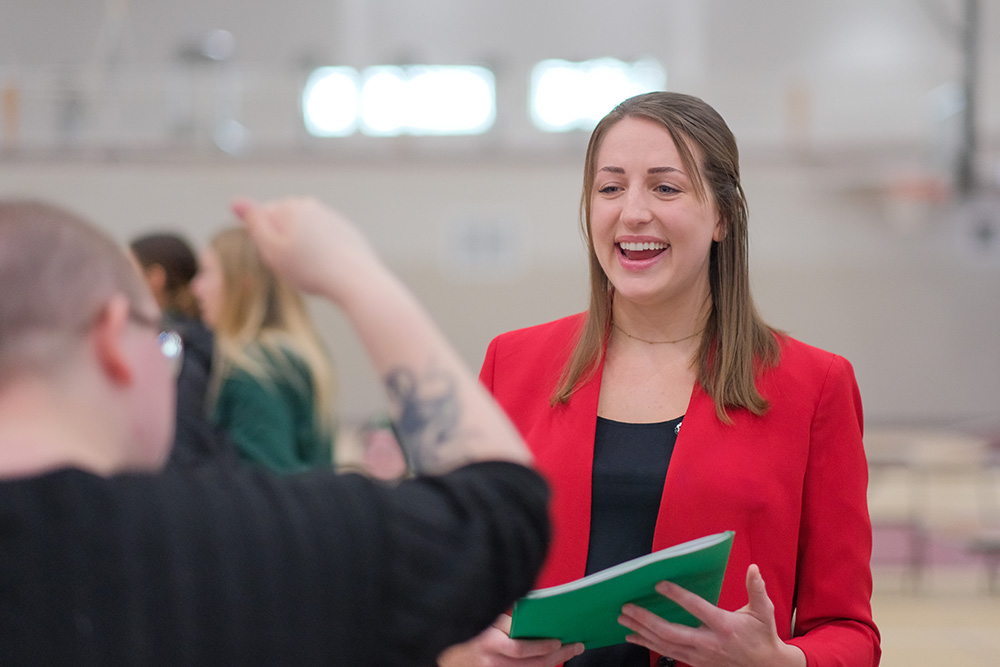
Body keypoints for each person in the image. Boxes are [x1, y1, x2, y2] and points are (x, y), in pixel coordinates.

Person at [0, 197, 551, 665]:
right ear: (112, 339)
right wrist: (357, 276)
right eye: (162, 340)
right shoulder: (220, 548)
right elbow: (501, 512)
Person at [440, 92, 880, 667]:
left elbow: (849, 631)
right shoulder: (512, 364)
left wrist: (780, 663)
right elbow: (458, 592)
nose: (633, 213)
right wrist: (474, 646)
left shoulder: (812, 385)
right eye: (610, 187)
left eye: (665, 188)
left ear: (722, 215)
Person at [191, 226, 336, 473]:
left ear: (244, 283)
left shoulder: (255, 367)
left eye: (206, 273)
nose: (196, 288)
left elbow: (269, 483)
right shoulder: (294, 354)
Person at [129, 231, 238, 468]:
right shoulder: (204, 337)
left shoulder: (178, 344)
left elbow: (182, 433)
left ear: (155, 279)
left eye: (128, 270)